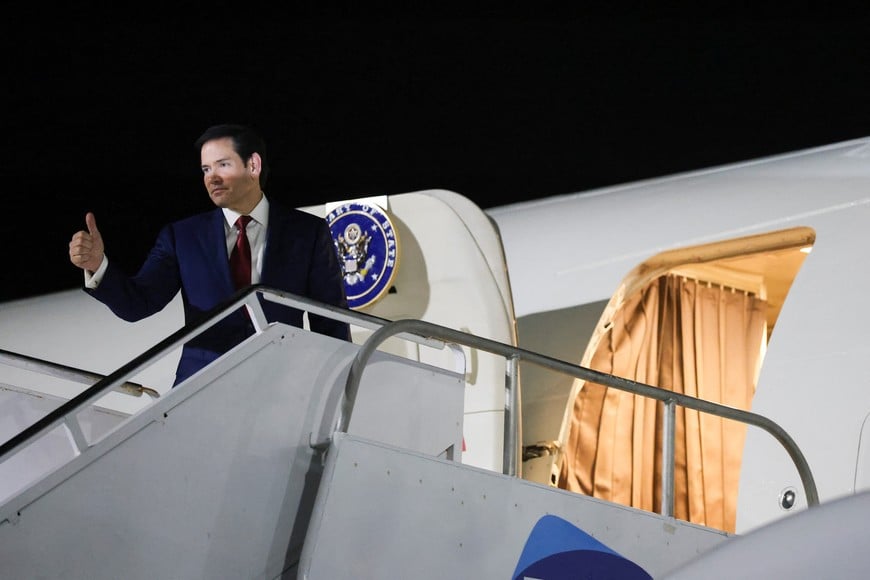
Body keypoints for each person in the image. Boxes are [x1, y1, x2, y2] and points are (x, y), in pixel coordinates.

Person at [68, 123, 351, 385]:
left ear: (253, 165)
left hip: (282, 385)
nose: (211, 178)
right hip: (202, 388)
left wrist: (333, 391)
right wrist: (99, 267)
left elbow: (331, 323)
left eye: (222, 165)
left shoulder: (307, 233)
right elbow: (138, 304)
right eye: (205, 169)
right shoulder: (181, 237)